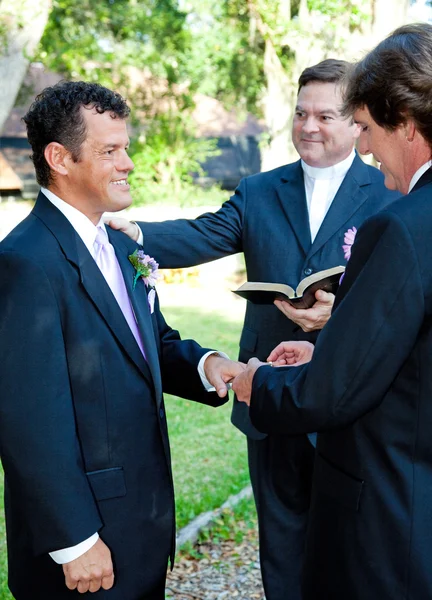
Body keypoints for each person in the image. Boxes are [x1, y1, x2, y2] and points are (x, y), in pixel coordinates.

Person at [107, 59, 399, 599]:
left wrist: (341, 313)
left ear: (357, 122)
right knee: (283, 541)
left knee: (353, 542)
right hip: (267, 391)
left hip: (353, 399)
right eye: (300, 113)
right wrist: (130, 231)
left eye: (326, 115)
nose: (309, 126)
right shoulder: (260, 189)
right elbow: (204, 234)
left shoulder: (390, 189)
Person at [0, 81, 244, 600]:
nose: (128, 162)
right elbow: (26, 420)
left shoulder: (116, 242)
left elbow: (147, 342)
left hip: (141, 522)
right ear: (59, 158)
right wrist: (74, 540)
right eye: (110, 150)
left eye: (126, 147)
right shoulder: (25, 262)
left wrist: (208, 366)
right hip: (85, 546)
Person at [232, 22, 432, 600]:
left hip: (394, 517)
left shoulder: (400, 227)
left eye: (366, 128)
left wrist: (257, 381)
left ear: (407, 121)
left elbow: (331, 395)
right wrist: (327, 347)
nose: (365, 148)